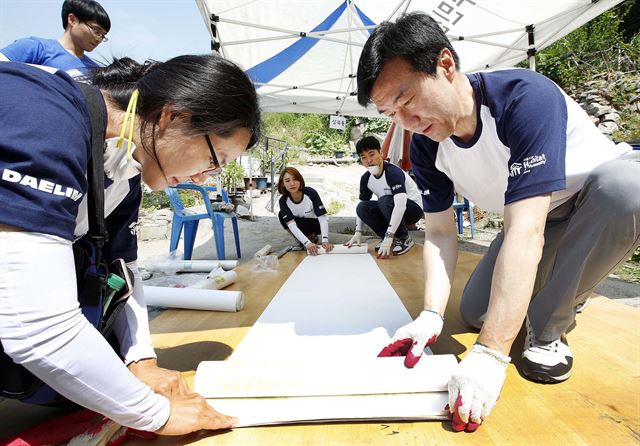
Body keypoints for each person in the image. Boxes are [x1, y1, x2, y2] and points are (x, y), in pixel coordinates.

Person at [357, 12, 639, 433]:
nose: (407, 122)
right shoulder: (428, 147)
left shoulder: (524, 98)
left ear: (446, 66)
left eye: (408, 99)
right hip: (529, 219)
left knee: (629, 187)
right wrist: (432, 314)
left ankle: (553, 323)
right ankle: (557, 284)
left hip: (591, 203)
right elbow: (437, 232)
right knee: (474, 312)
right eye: (391, 113)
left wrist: (491, 353)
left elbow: (526, 232)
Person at [0, 53, 260, 435]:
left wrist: (142, 360)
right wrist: (156, 414)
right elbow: (35, 325)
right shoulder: (48, 117)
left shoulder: (123, 171)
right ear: (173, 116)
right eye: (213, 159)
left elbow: (125, 270)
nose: (205, 179)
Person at [345, 136, 423, 258]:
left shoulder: (393, 173)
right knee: (362, 207)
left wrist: (389, 235)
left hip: (412, 209)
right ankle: (389, 238)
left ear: (381, 153)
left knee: (385, 200)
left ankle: (403, 238)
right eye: (363, 157)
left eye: (371, 154)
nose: (368, 160)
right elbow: (362, 206)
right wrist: (358, 232)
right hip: (390, 207)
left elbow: (400, 206)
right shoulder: (366, 178)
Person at [0, 0, 110, 82]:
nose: (99, 38)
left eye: (103, 35)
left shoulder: (96, 70)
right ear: (72, 20)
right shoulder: (35, 48)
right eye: (96, 30)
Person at [278, 166, 333, 255]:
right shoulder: (283, 200)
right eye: (287, 181)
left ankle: (312, 237)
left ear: (300, 180)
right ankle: (300, 240)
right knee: (281, 215)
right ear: (283, 184)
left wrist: (325, 240)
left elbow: (323, 218)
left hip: (315, 225)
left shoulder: (311, 193)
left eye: (295, 179)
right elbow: (291, 225)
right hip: (299, 224)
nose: (292, 183)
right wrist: (307, 244)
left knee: (303, 222)